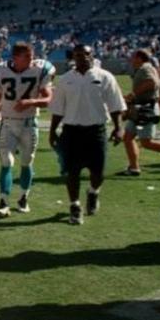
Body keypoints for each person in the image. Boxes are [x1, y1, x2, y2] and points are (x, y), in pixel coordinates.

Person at [48, 44, 125, 225]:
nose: (82, 58)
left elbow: (115, 105)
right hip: (72, 131)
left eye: (86, 54)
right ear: (73, 58)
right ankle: (74, 206)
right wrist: (52, 132)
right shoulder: (65, 79)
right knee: (72, 172)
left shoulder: (105, 77)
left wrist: (118, 127)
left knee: (98, 172)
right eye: (78, 55)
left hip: (96, 130)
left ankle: (93, 192)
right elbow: (58, 109)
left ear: (92, 56)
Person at [0, 42, 54, 216]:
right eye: (27, 57)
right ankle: (3, 201)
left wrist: (30, 102)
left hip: (30, 123)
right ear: (15, 58)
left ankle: (23, 197)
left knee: (26, 161)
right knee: (7, 162)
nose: (32, 60)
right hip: (7, 122)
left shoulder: (41, 69)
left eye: (32, 56)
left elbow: (49, 99)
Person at [120, 48, 160, 176]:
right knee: (128, 138)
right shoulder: (148, 68)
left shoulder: (145, 69)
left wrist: (133, 94)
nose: (130, 59)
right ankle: (134, 167)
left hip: (145, 109)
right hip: (140, 108)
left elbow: (152, 83)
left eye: (133, 56)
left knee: (147, 143)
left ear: (139, 58)